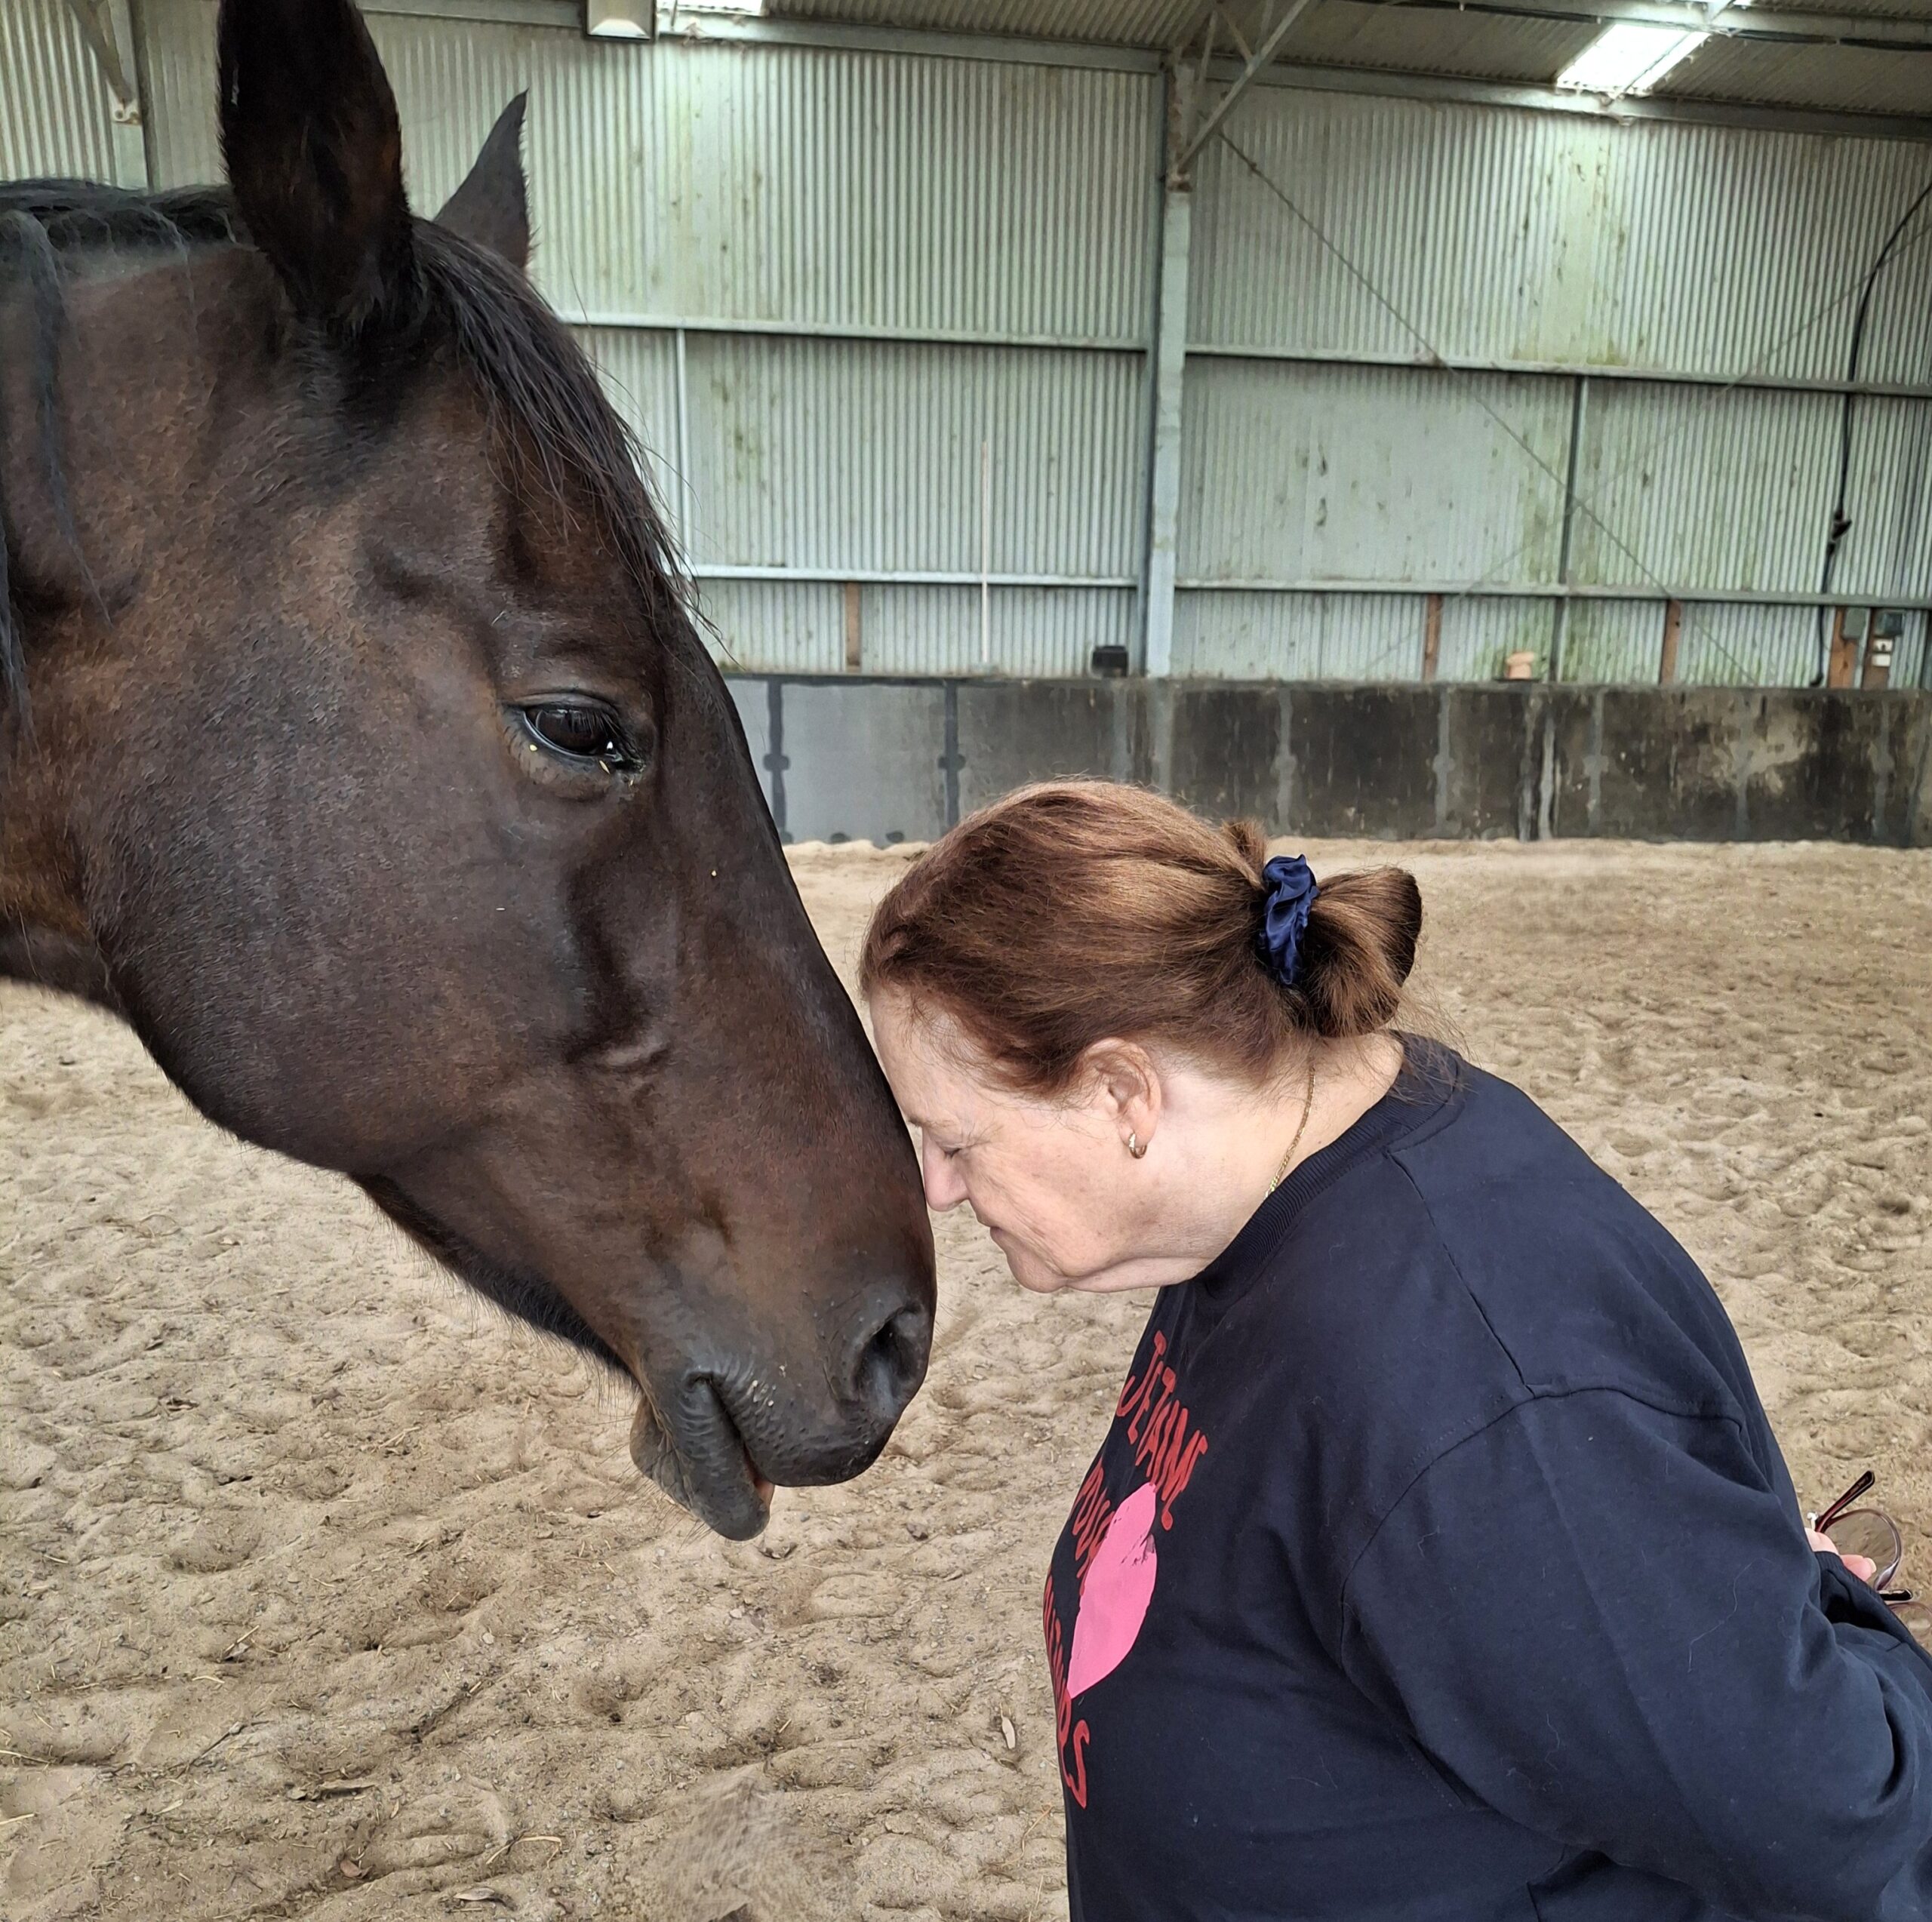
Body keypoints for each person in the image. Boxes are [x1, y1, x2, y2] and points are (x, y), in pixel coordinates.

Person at [859, 780, 1932, 1922]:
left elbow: (1849, 1826)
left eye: (953, 1135)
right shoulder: (1247, 1208)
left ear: (1124, 1091)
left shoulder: (1481, 1401)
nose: (936, 1185)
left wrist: (1792, 1591)